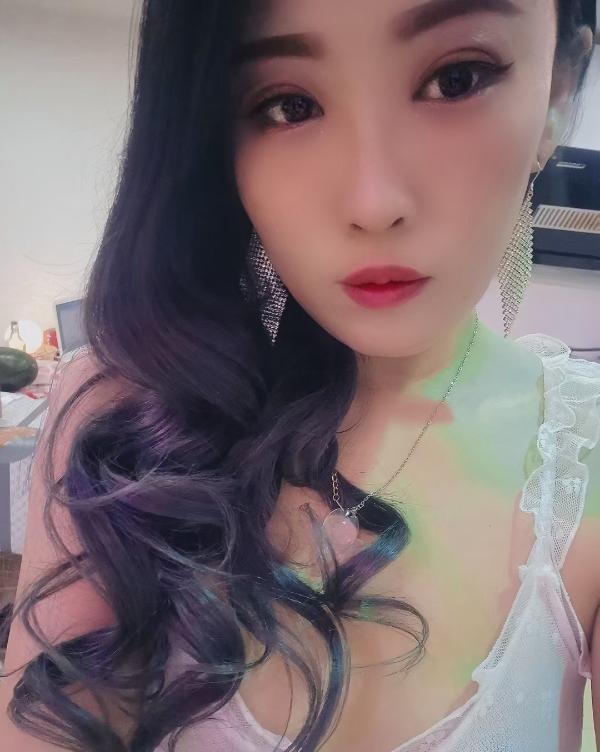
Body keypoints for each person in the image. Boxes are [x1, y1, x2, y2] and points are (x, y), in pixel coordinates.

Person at [1, 1, 599, 750]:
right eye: (288, 105)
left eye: (457, 78)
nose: (373, 202)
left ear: (557, 91)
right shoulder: (124, 417)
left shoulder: (583, 459)